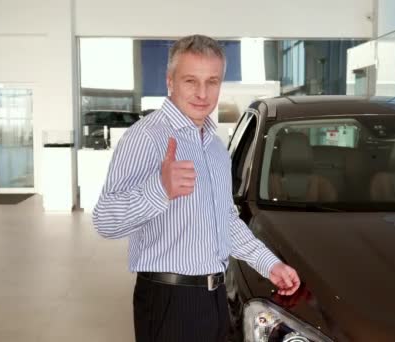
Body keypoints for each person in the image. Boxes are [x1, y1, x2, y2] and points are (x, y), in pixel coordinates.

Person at [92, 34, 300, 342]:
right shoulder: (146, 138)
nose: (202, 93)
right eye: (191, 81)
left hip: (216, 297)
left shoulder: (214, 147)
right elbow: (104, 220)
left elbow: (226, 221)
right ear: (170, 81)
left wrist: (268, 263)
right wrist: (159, 190)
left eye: (212, 81)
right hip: (170, 301)